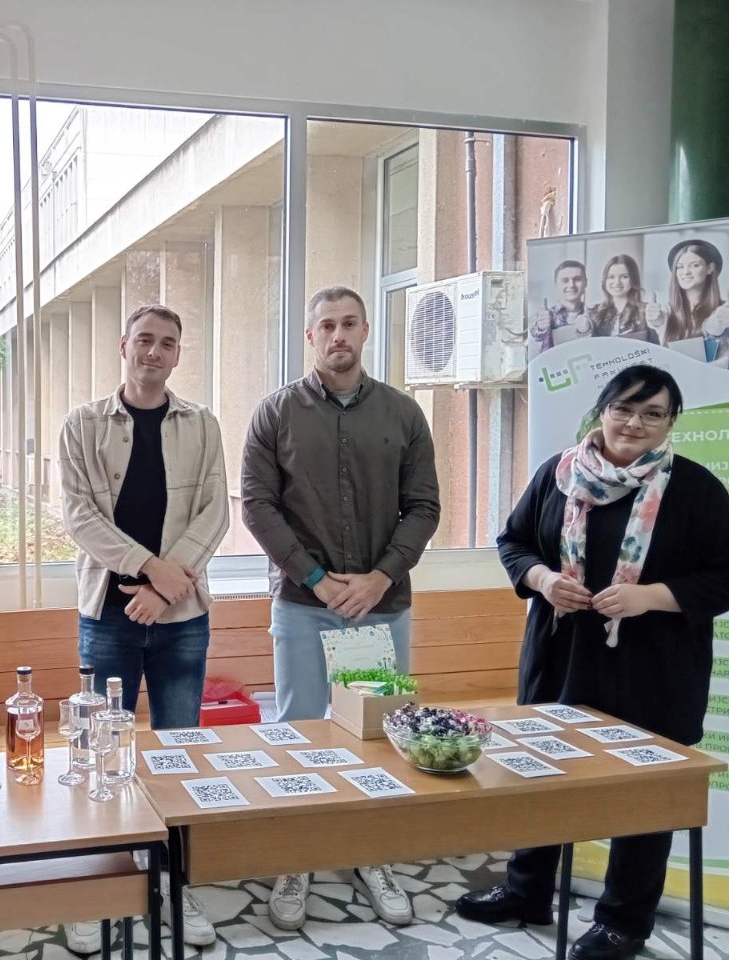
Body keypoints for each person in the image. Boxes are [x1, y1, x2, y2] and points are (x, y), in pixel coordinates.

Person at [455, 364, 729, 960]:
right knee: (539, 775)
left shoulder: (696, 489)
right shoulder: (558, 475)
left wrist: (649, 598)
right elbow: (514, 542)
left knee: (645, 794)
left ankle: (623, 922)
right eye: (623, 408)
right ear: (602, 411)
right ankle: (526, 891)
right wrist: (543, 579)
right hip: (562, 657)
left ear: (670, 423)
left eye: (652, 413)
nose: (635, 423)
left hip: (657, 671)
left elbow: (724, 575)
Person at [241, 286, 440, 931]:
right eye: (326, 325)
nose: (338, 336)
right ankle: (298, 856)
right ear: (310, 336)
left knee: (375, 734)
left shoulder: (404, 414)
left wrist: (380, 578)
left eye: (349, 323)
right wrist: (317, 579)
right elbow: (258, 506)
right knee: (300, 731)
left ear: (365, 331)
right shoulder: (274, 414)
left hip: (380, 608)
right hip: (305, 604)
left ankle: (370, 853)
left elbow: (424, 507)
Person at [58, 303, 229, 953]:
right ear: (123, 345)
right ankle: (96, 887)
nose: (154, 352)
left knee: (179, 752)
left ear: (178, 354)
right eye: (144, 340)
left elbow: (215, 512)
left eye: (168, 343)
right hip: (107, 614)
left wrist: (165, 587)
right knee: (99, 753)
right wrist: (149, 568)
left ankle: (176, 884)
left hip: (181, 616)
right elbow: (78, 516)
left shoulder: (201, 425)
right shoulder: (82, 425)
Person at [649, 239, 729, 364]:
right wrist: (654, 319)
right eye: (680, 267)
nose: (686, 272)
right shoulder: (667, 312)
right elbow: (657, 321)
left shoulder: (724, 311)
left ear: (710, 268)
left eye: (695, 265)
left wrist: (719, 328)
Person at [589, 255, 656, 343]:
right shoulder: (595, 313)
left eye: (624, 277)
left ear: (633, 279)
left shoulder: (645, 312)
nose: (617, 282)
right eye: (611, 277)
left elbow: (656, 346)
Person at [530, 260, 592, 356]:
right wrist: (541, 328)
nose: (571, 285)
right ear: (556, 284)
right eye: (565, 280)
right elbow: (535, 337)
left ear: (586, 282)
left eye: (577, 279)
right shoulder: (544, 316)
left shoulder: (595, 315)